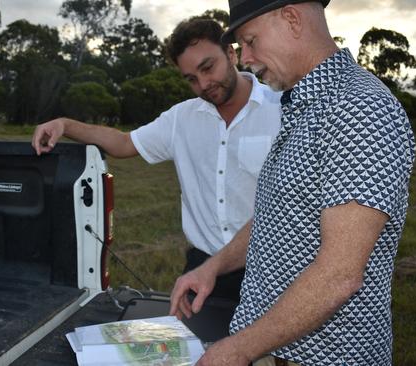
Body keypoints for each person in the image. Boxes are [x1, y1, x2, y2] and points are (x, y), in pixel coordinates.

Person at [169, 1, 416, 365]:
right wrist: (213, 267)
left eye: (250, 40)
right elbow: (280, 216)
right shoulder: (306, 104)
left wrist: (238, 349)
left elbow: (339, 274)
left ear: (291, 18)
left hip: (329, 357)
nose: (246, 58)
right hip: (283, 349)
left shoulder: (358, 109)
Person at [31, 18, 282, 301]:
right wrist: (64, 124)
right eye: (191, 79)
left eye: (207, 68)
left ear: (231, 53)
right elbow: (124, 143)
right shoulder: (181, 119)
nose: (203, 84)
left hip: (273, 269)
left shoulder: (283, 109)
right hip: (203, 273)